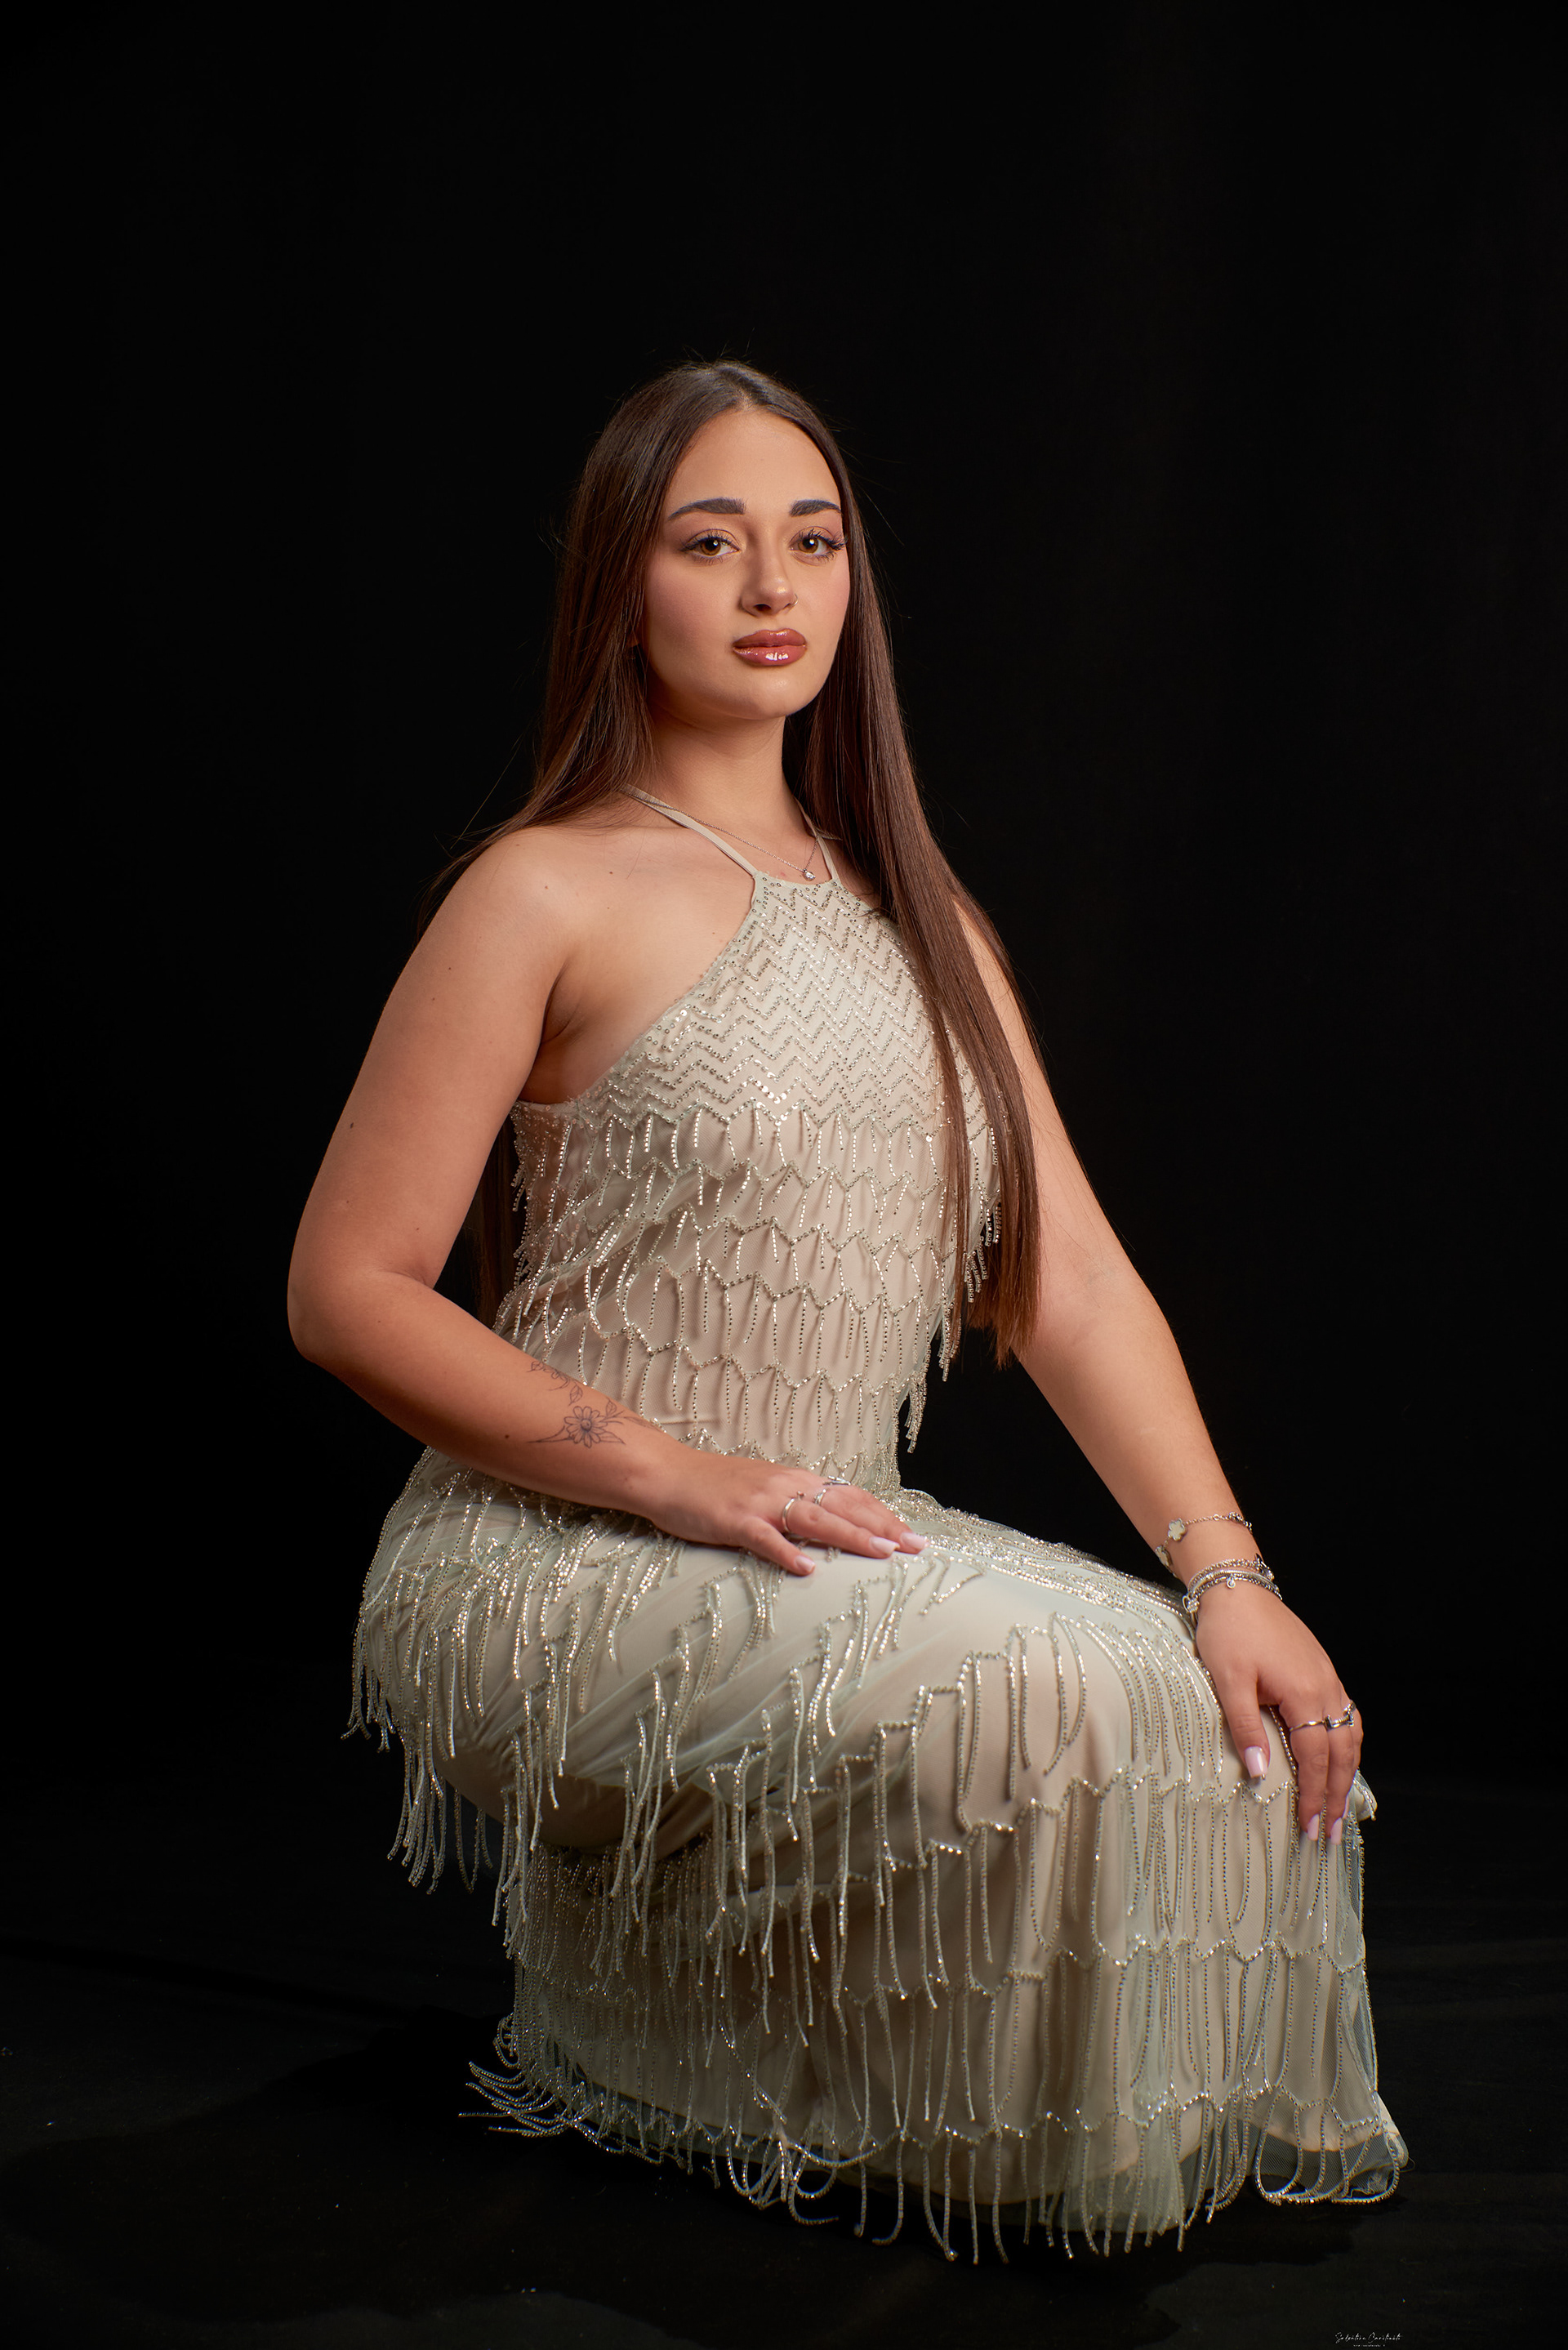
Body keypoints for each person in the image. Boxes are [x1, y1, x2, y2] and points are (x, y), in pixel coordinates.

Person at [287, 360, 1405, 2259]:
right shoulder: (540, 890)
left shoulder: (930, 924)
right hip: (548, 1547)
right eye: (708, 541)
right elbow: (342, 1290)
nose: (770, 586)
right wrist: (679, 1473)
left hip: (805, 1530)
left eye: (811, 542)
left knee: (1190, 1686)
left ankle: (876, 2110)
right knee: (1040, 1684)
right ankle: (735, 2078)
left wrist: (1235, 1575)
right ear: (619, 585)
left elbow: (1072, 1280)